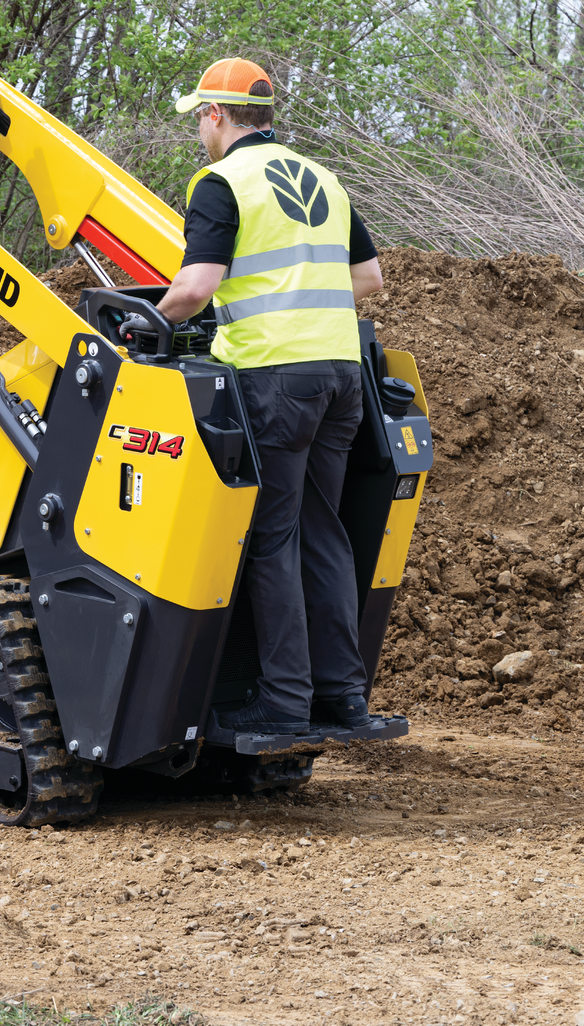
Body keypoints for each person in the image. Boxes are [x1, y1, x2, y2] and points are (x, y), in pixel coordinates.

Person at [132, 58, 383, 733]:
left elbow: (195, 287)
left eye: (200, 121)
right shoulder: (324, 179)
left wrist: (148, 323)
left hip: (274, 378)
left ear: (216, 115)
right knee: (321, 530)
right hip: (341, 373)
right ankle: (343, 694)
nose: (200, 135)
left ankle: (283, 701)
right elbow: (370, 279)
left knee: (269, 539)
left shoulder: (221, 182)